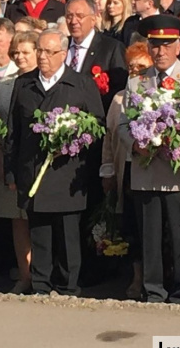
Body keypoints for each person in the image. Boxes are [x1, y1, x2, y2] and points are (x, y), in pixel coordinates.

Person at [118, 15, 180, 303]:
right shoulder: (137, 81)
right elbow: (123, 125)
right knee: (150, 238)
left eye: (166, 45)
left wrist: (178, 141)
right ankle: (153, 291)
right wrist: (137, 144)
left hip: (179, 172)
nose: (160, 51)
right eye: (154, 45)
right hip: (146, 171)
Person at [6, 29, 105, 295]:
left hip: (67, 174)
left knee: (67, 235)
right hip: (33, 172)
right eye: (39, 50)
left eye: (49, 52)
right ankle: (41, 284)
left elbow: (97, 127)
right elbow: (13, 131)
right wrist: (11, 172)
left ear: (63, 54)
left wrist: (73, 143)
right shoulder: (24, 84)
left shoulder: (81, 84)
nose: (42, 57)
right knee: (39, 233)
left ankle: (67, 287)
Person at [101, 42, 153, 299]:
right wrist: (107, 170)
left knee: (151, 227)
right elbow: (110, 138)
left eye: (141, 67)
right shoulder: (119, 98)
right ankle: (136, 277)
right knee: (131, 226)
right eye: (131, 67)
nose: (135, 72)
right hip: (127, 172)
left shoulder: (160, 96)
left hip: (153, 171)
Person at [0, 30, 37, 294]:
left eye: (26, 52)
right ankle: (25, 274)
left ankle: (42, 275)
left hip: (36, 165)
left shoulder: (44, 84)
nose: (20, 57)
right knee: (17, 221)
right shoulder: (5, 86)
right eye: (16, 53)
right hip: (8, 163)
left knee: (38, 220)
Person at [65, 0, 127, 112]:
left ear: (93, 19)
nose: (73, 21)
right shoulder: (61, 46)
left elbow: (119, 91)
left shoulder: (111, 48)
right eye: (69, 16)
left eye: (80, 16)